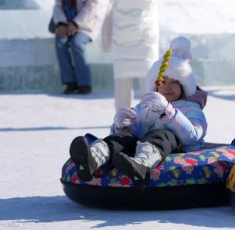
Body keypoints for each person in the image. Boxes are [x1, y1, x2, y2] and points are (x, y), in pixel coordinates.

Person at [68, 37, 207, 185]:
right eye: (163, 82)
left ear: (184, 86)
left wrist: (168, 113)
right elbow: (134, 132)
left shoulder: (191, 107)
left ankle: (141, 166)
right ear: (156, 85)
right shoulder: (148, 105)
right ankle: (94, 159)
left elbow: (193, 136)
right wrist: (122, 125)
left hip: (176, 149)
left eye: (174, 82)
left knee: (162, 134)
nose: (168, 87)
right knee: (124, 135)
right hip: (143, 145)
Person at [103, 0, 167, 110]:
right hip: (146, 33)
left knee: (123, 81)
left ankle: (122, 119)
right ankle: (149, 115)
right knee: (148, 79)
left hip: (122, 33)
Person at [52, 0, 103, 95]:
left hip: (85, 26)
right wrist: (61, 23)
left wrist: (76, 23)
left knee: (76, 44)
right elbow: (58, 5)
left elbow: (93, 5)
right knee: (60, 42)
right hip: (67, 24)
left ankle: (85, 83)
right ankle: (70, 82)